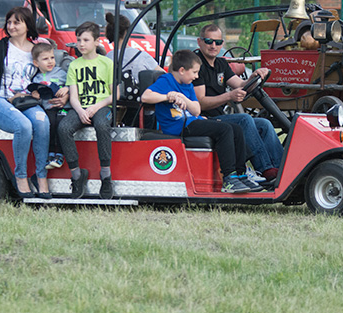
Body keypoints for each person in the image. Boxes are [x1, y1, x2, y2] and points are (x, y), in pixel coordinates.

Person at [141, 50, 256, 193]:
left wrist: (184, 99)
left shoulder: (188, 84)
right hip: (178, 127)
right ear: (182, 70)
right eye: (194, 72)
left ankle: (241, 174)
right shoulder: (166, 81)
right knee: (224, 130)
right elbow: (145, 97)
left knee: (235, 128)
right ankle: (229, 178)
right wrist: (167, 96)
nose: (196, 76)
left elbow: (196, 110)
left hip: (192, 121)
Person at [192, 24, 283, 183]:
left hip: (219, 117)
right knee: (244, 119)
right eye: (209, 41)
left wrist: (254, 76)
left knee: (264, 124)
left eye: (218, 42)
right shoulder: (196, 65)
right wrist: (229, 96)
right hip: (203, 120)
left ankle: (282, 168)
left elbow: (240, 84)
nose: (214, 46)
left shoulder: (221, 63)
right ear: (199, 42)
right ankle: (265, 169)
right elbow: (201, 104)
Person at [0, 7, 52, 199]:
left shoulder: (36, 50)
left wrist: (42, 90)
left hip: (25, 101)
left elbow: (44, 76)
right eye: (9, 22)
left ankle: (40, 176)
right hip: (0, 100)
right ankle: (20, 176)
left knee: (42, 123)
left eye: (17, 22)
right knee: (24, 126)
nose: (11, 26)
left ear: (27, 25)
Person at [58, 21, 116, 199]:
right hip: (80, 107)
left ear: (97, 42)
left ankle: (105, 175)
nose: (81, 44)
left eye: (86, 40)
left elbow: (115, 95)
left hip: (102, 107)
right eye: (78, 40)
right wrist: (81, 111)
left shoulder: (107, 63)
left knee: (101, 124)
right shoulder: (74, 65)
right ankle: (77, 175)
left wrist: (96, 107)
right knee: (63, 128)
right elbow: (73, 96)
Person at [104, 12, 163, 126]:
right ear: (127, 32)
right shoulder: (142, 56)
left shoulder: (107, 58)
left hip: (114, 109)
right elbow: (162, 75)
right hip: (140, 109)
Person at [28, 42, 71, 170]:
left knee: (61, 126)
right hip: (48, 108)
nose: (50, 61)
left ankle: (60, 155)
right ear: (36, 63)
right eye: (45, 59)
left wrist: (67, 89)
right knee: (50, 125)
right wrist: (35, 95)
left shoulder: (61, 73)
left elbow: (72, 84)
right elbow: (37, 95)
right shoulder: (36, 79)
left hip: (64, 107)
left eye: (52, 57)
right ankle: (50, 153)